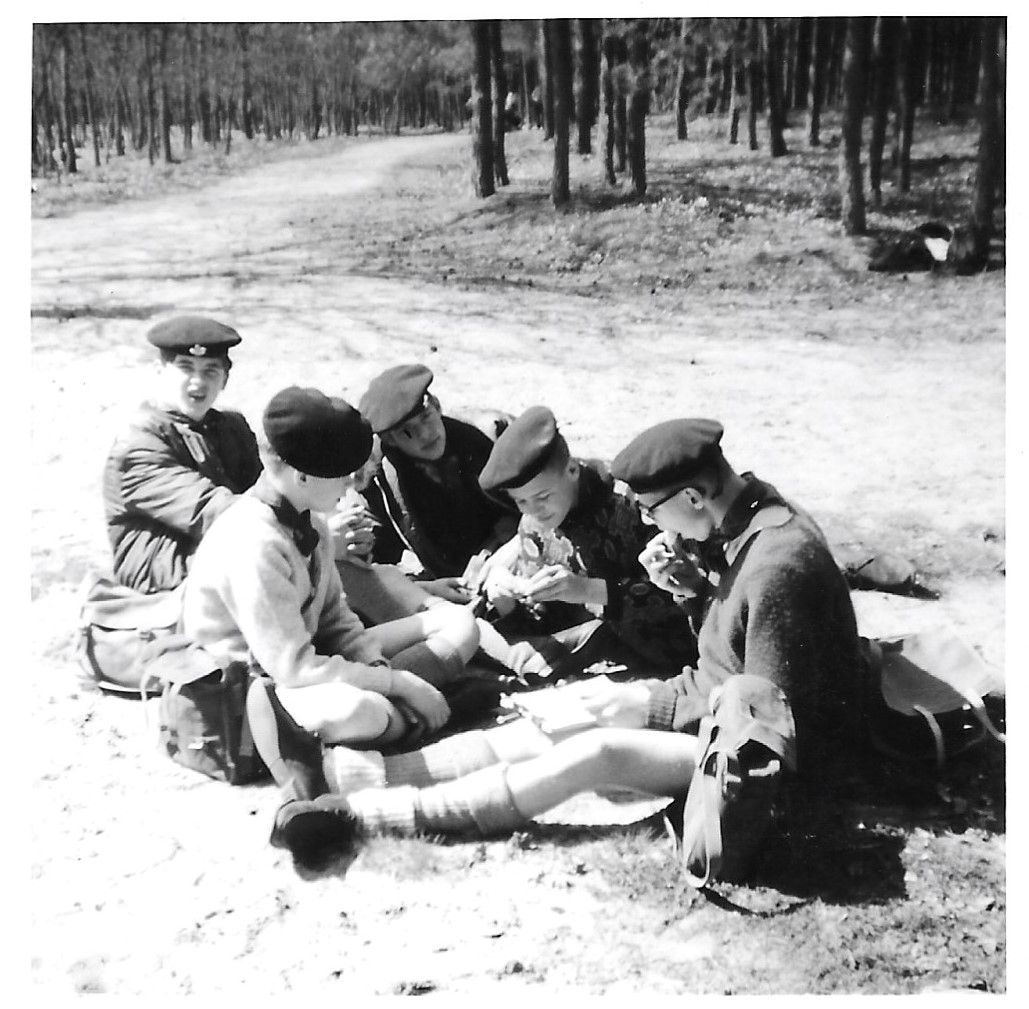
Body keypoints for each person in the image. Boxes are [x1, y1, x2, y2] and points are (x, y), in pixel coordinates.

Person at [273, 418, 867, 873]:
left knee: (596, 752)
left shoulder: (775, 565)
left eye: (656, 512)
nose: (656, 527)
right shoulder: (743, 518)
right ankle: (371, 773)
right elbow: (725, 649)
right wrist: (690, 594)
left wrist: (658, 705)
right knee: (571, 708)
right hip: (718, 705)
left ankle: (372, 813)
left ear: (692, 497)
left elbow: (769, 724)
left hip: (772, 751)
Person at [180, 387, 480, 868]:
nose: (351, 485)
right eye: (343, 474)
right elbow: (292, 668)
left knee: (458, 622)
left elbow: (336, 618)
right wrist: (400, 683)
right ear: (301, 474)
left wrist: (377, 667)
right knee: (364, 710)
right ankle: (396, 727)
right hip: (254, 696)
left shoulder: (310, 520)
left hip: (313, 664)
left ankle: (408, 709)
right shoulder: (253, 541)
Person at [472, 406, 698, 677]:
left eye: (543, 497)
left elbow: (693, 589)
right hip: (602, 666)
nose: (534, 510)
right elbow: (545, 624)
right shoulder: (533, 527)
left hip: (683, 663)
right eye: (521, 501)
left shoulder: (635, 502)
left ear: (571, 469)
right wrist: (507, 602)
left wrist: (590, 591)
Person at [102, 315, 262, 594]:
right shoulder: (139, 442)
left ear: (225, 379)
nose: (198, 382)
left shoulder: (231, 427)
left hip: (223, 556)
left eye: (211, 370)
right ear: (159, 371)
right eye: (185, 368)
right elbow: (210, 510)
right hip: (163, 581)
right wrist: (298, 525)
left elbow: (267, 488)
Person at [355, 364, 518, 594]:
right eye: (407, 431)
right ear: (390, 440)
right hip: (453, 586)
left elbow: (553, 499)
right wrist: (428, 588)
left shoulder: (493, 434)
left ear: (437, 406)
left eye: (426, 417)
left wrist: (506, 545)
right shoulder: (376, 482)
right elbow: (368, 571)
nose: (425, 434)